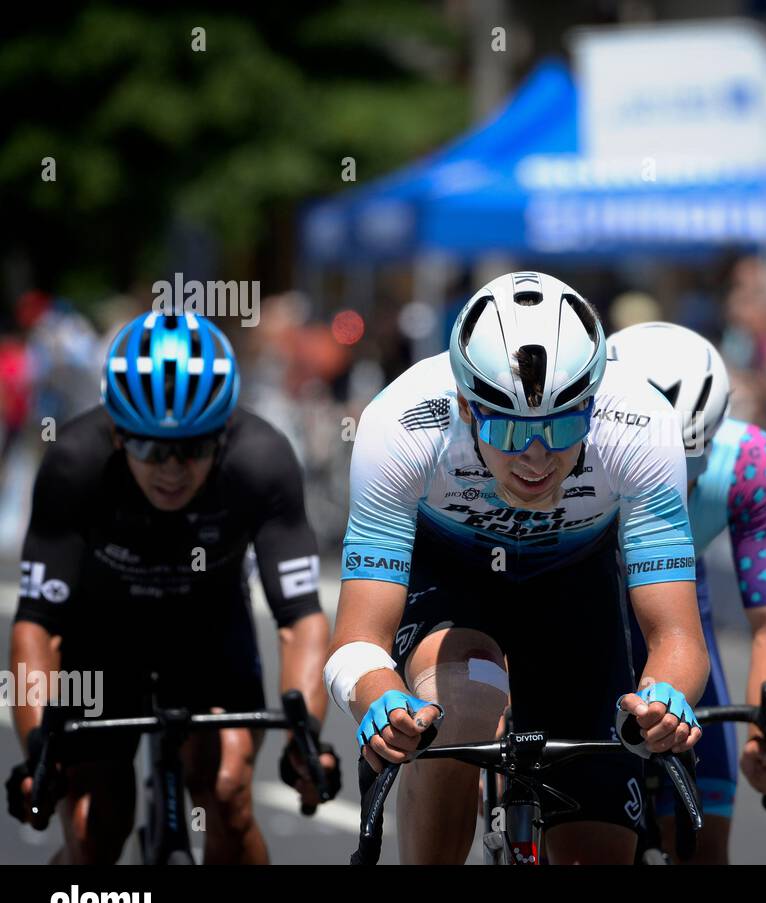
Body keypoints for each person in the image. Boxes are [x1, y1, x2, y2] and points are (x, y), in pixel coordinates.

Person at [326, 271, 710, 865]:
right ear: (463, 407)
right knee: (466, 697)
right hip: (450, 581)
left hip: (572, 590)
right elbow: (356, 640)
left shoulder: (641, 424)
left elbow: (677, 636)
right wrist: (381, 700)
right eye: (508, 429)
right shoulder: (399, 424)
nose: (536, 457)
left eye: (561, 427)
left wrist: (665, 703)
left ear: (594, 404)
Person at [6, 310, 336, 864]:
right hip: (103, 642)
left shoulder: (262, 460)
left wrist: (305, 737)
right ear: (116, 432)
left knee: (228, 795)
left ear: (224, 432)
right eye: (149, 448)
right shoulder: (73, 465)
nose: (172, 470)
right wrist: (38, 751)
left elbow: (300, 617)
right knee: (92, 832)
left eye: (195, 448)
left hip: (209, 637)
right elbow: (38, 626)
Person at [608, 321, 766, 863]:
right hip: (577, 606)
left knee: (702, 847)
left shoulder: (749, 463)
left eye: (687, 466)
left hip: (678, 614)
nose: (670, 486)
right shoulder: (557, 461)